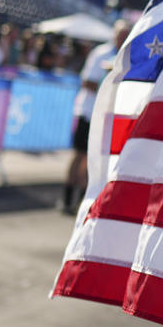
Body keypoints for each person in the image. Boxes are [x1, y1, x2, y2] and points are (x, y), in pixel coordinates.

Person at [62, 20, 130, 214]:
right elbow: (87, 82)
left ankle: (81, 199)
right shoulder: (101, 53)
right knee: (79, 155)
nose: (123, 38)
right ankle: (68, 197)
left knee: (93, 159)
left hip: (106, 116)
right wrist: (107, 81)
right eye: (121, 34)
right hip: (89, 112)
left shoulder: (127, 55)